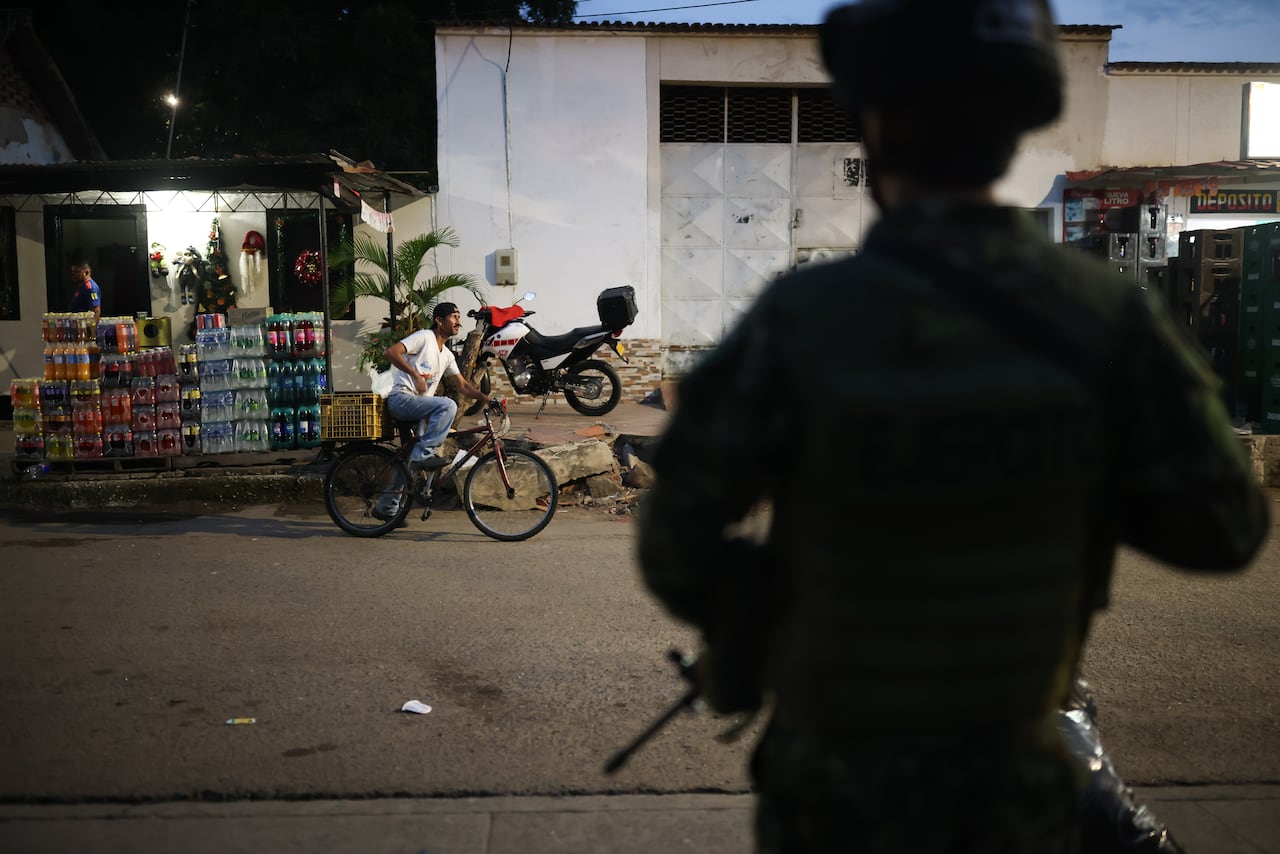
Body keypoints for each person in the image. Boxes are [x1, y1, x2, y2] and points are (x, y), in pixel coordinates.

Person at [636, 1, 1268, 852]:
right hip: (1015, 798)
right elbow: (1226, 527)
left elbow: (674, 541)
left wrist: (767, 607)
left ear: (878, 122)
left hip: (835, 795)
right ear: (1015, 131)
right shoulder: (1108, 318)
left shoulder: (803, 319)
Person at [383, 302, 492, 471]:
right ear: (440, 321)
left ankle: (393, 497)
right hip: (401, 399)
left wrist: (487, 399)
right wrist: (415, 375)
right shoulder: (425, 337)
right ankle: (424, 455)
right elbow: (391, 352)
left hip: (418, 410)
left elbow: (463, 385)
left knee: (409, 465)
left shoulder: (447, 355)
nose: (458, 322)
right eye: (454, 317)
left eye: (459, 317)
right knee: (447, 405)